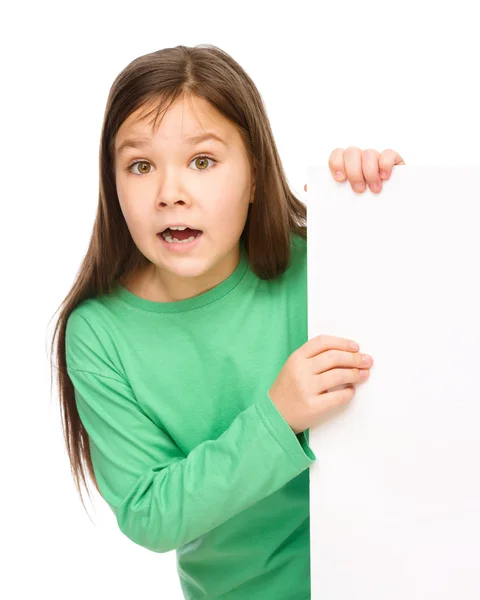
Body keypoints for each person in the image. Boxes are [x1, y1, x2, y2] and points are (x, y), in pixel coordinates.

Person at [49, 44, 405, 599]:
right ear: (112, 184)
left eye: (203, 161)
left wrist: (390, 211)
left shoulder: (323, 263)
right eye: (141, 166)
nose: (171, 194)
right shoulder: (100, 334)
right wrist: (277, 415)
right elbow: (151, 513)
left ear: (257, 177)